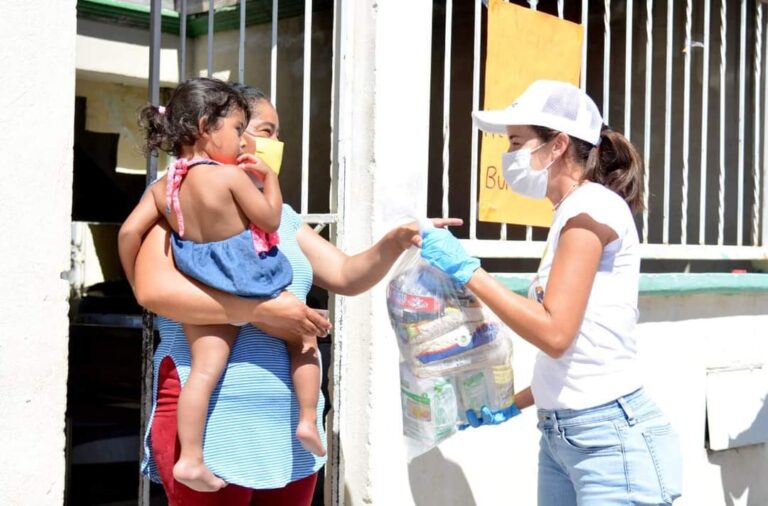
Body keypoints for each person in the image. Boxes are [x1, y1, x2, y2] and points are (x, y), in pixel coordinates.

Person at [131, 83, 461, 505]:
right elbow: (152, 289)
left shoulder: (281, 216)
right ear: (226, 131)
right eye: (266, 131)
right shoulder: (180, 199)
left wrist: (396, 241)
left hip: (285, 428)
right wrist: (257, 311)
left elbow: (344, 273)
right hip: (213, 421)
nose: (276, 144)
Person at [420, 80, 683, 505]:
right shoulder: (571, 212)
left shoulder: (591, 209)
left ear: (558, 144)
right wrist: (513, 402)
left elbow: (556, 334)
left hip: (609, 441)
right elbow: (580, 349)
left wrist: (467, 270)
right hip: (563, 435)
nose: (509, 156)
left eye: (518, 142)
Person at [119, 78, 325, 493]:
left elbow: (128, 233)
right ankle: (306, 418)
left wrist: (131, 273)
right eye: (236, 130)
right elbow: (268, 220)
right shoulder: (228, 178)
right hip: (249, 276)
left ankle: (191, 458)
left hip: (204, 280)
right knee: (302, 339)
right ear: (204, 127)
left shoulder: (163, 189)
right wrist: (270, 181)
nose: (242, 142)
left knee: (205, 370)